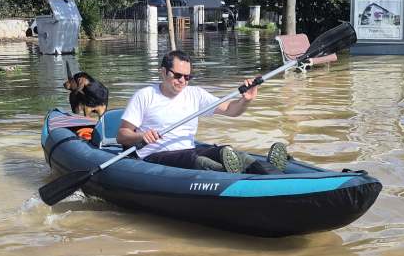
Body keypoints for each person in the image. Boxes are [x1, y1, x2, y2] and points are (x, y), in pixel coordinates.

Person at [117, 50, 289, 174]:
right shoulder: (145, 95)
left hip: (188, 149)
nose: (183, 81)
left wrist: (246, 100)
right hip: (155, 155)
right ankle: (237, 176)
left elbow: (231, 110)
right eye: (178, 76)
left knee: (224, 151)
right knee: (199, 162)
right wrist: (142, 136)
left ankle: (271, 171)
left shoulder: (196, 94)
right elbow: (122, 135)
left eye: (187, 77)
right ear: (163, 72)